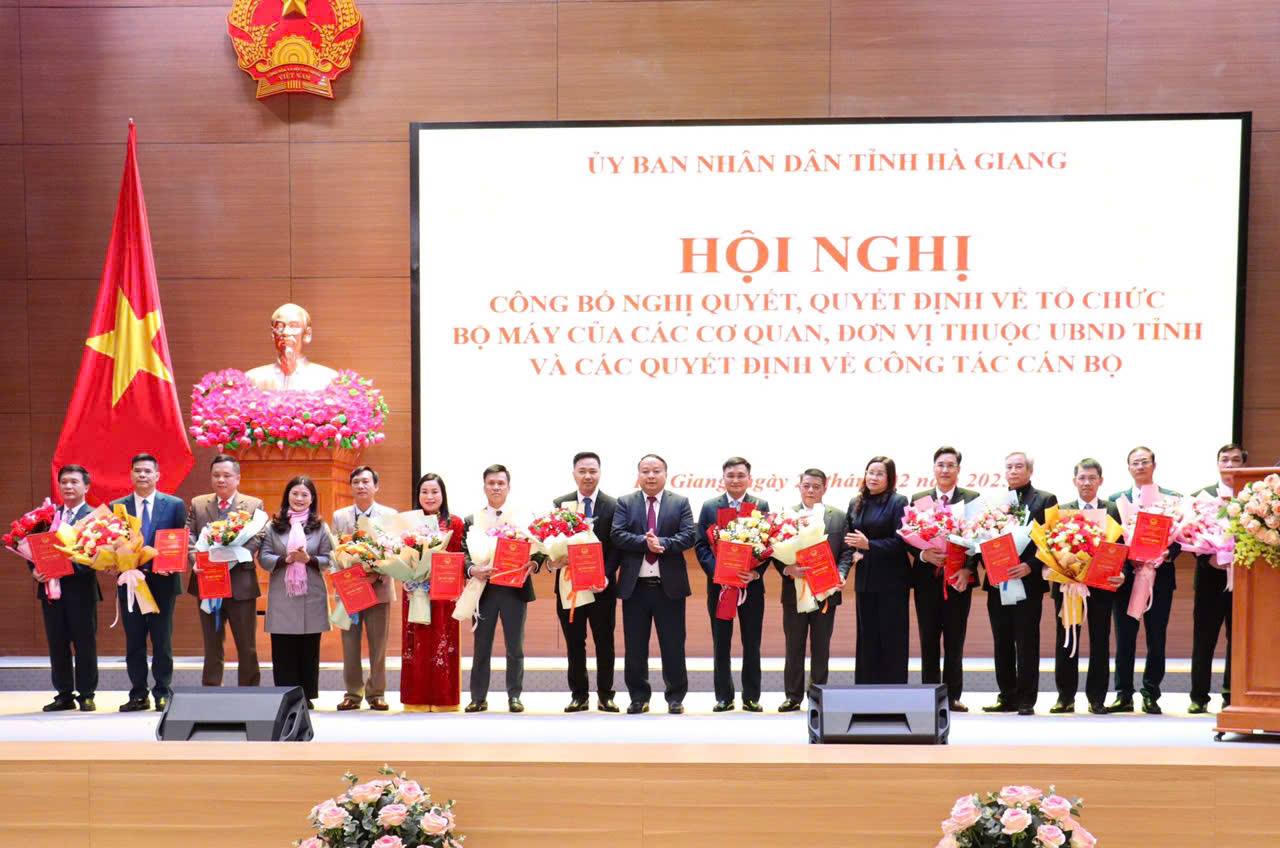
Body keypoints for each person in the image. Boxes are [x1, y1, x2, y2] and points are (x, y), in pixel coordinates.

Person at [611, 454, 697, 714]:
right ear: (638, 475)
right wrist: (644, 542)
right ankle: (638, 697)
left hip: (668, 588)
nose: (650, 476)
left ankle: (675, 697)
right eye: (645, 471)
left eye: (656, 471)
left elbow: (689, 536)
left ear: (665, 474)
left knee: (673, 645)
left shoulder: (680, 502)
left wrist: (663, 544)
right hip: (635, 587)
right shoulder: (625, 502)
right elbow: (617, 534)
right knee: (635, 646)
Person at [110, 453, 187, 712]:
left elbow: (180, 541)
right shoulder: (117, 507)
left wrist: (173, 564)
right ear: (131, 474)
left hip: (163, 583)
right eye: (137, 471)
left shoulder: (175, 505)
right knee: (134, 641)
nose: (142, 475)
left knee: (162, 640)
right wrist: (113, 564)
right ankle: (138, 694)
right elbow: (110, 544)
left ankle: (163, 692)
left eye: (147, 471)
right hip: (131, 582)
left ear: (157, 475)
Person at [982, 451, 1056, 716]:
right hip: (997, 581)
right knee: (1001, 640)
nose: (1013, 471)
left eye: (1019, 466)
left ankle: (1026, 698)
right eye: (1009, 467)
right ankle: (1007, 695)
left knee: (1026, 641)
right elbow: (981, 538)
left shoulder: (1045, 500)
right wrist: (991, 563)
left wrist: (1030, 566)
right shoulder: (994, 502)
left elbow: (1050, 541)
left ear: (1030, 470)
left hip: (1027, 582)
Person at [1108, 445, 1180, 715]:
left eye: (1144, 462)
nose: (1140, 466)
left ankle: (1151, 693)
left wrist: (1169, 553)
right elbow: (1112, 540)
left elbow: (1181, 538)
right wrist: (1124, 564)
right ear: (1128, 468)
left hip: (1160, 578)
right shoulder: (1116, 500)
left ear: (1154, 465)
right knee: (1124, 639)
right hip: (1126, 580)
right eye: (1135, 462)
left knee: (1156, 638)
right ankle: (1123, 694)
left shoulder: (1172, 499)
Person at [695, 456, 771, 712]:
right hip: (720, 587)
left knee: (752, 642)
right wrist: (718, 572)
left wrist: (757, 573)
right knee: (721, 641)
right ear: (723, 478)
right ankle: (724, 697)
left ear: (749, 479)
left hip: (751, 587)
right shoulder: (709, 506)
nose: (735, 480)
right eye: (731, 475)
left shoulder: (760, 505)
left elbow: (769, 544)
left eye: (740, 476)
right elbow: (701, 545)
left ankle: (751, 697)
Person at [1052, 459, 1126, 714]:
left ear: (1100, 481)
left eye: (1092, 478)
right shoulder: (1061, 510)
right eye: (1082, 478)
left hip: (1101, 586)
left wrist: (1122, 573)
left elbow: (1122, 546)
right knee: (1067, 640)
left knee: (1100, 640)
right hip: (1070, 587)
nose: (1086, 483)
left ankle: (1097, 698)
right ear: (1074, 481)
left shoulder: (1112, 509)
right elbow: (1052, 547)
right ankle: (1065, 698)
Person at [774, 468, 852, 712]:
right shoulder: (786, 516)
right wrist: (787, 569)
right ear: (799, 486)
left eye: (816, 486)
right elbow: (773, 551)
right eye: (806, 485)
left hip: (826, 591)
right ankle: (793, 696)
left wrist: (841, 574)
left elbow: (846, 552)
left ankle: (818, 696)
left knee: (821, 647)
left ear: (824, 488)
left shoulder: (838, 517)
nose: (810, 490)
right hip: (795, 591)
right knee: (793, 645)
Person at [909, 446, 979, 711]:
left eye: (950, 465)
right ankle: (930, 695)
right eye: (941, 465)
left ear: (958, 469)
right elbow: (908, 536)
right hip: (927, 580)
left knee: (954, 640)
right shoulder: (920, 498)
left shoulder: (971, 498)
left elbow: (981, 538)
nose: (945, 470)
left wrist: (968, 569)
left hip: (958, 580)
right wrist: (924, 554)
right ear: (934, 468)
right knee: (928, 639)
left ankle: (952, 696)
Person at [462, 464, 536, 713]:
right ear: (484, 487)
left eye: (500, 483)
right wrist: (473, 569)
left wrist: (534, 562)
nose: (496, 487)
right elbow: (463, 553)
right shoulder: (472, 519)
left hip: (515, 590)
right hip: (484, 590)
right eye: (491, 483)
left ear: (508, 487)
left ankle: (514, 696)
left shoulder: (524, 518)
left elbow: (539, 548)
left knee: (515, 647)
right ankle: (478, 697)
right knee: (481, 647)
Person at [185, 454, 264, 688]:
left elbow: (259, 535)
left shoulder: (253, 504)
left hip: (241, 584)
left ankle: (249, 692)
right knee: (211, 644)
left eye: (227, 475)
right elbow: (189, 535)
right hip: (207, 581)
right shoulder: (199, 503)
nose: (221, 480)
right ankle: (210, 690)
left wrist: (235, 555)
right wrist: (194, 559)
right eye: (216, 475)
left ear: (237, 478)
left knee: (246, 645)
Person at [550, 452, 620, 713]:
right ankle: (579, 695)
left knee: (605, 642)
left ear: (599, 473)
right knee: (574, 643)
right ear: (574, 474)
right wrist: (554, 560)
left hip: (601, 588)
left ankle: (606, 695)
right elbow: (551, 541)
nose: (588, 476)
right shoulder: (561, 504)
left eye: (592, 471)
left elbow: (616, 547)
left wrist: (606, 575)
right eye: (582, 471)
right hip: (569, 586)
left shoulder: (613, 505)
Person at [258, 475, 332, 708]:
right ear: (287, 496)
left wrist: (309, 559)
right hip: (283, 594)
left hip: (311, 594)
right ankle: (286, 695)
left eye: (304, 494)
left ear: (312, 499)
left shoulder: (320, 526)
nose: (299, 498)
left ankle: (306, 696)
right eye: (295, 493)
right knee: (283, 646)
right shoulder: (273, 526)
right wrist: (286, 559)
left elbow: (330, 558)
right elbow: (263, 557)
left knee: (309, 647)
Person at [330, 466, 398, 711]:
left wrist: (375, 574)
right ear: (351, 486)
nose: (361, 486)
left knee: (378, 645)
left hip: (378, 588)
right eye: (356, 482)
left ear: (376, 486)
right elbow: (334, 552)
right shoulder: (340, 516)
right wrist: (344, 577)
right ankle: (352, 693)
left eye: (366, 481)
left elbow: (396, 552)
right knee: (350, 644)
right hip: (350, 590)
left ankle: (376, 693)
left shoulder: (389, 515)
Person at [34, 465, 99, 712]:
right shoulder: (47, 516)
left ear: (86, 487)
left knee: (85, 644)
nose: (68, 486)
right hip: (50, 591)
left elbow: (97, 556)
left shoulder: (96, 518)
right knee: (57, 643)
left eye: (74, 482)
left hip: (81, 591)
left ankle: (86, 694)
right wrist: (35, 570)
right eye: (64, 482)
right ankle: (63, 694)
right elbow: (34, 547)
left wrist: (66, 568)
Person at [1188, 443, 1246, 714]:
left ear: (1243, 465)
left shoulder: (1252, 497)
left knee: (1238, 638)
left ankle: (1231, 694)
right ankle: (1199, 697)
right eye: (1225, 460)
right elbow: (1189, 534)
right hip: (1209, 578)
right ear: (1218, 464)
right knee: (1204, 638)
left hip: (1244, 580)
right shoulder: (1201, 497)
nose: (1230, 465)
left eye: (1236, 460)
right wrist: (1206, 558)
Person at [401, 472, 466, 712]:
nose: (429, 496)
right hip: (415, 592)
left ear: (443, 495)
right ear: (417, 495)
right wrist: (407, 577)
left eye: (434, 492)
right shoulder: (408, 523)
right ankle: (416, 699)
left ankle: (444, 699)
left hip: (443, 595)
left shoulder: (455, 523)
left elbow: (459, 559)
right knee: (417, 642)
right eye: (424, 492)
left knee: (442, 641)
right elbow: (400, 556)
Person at [846, 456, 910, 684]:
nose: (873, 477)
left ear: (889, 478)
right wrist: (851, 555)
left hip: (892, 582)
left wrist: (869, 545)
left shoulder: (898, 501)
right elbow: (849, 538)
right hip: (865, 581)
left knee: (892, 639)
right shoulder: (856, 502)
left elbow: (902, 542)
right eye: (870, 472)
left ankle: (894, 693)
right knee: (867, 639)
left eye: (879, 473)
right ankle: (866, 691)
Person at [245, 303, 338, 391]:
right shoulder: (252, 379)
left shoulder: (328, 379)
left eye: (294, 326)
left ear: (307, 334)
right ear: (273, 334)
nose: (286, 332)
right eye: (279, 327)